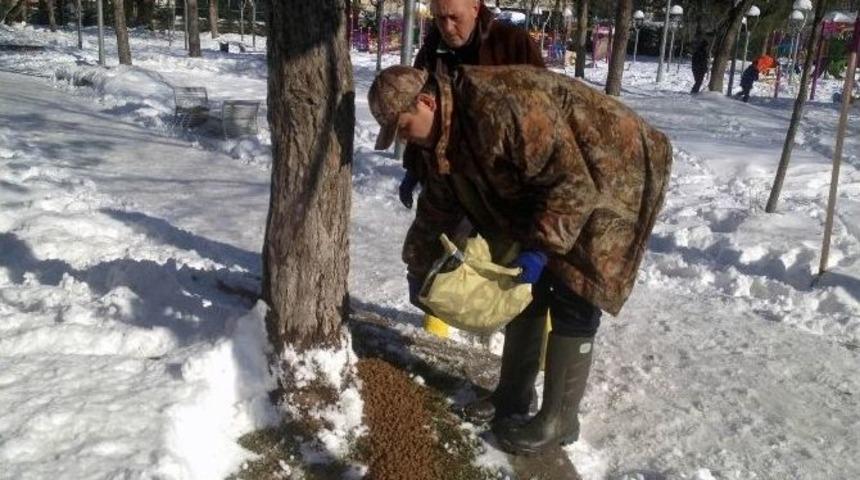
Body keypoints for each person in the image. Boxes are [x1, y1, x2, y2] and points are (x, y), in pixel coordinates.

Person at [368, 65, 672, 455]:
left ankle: (561, 418)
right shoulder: (443, 136)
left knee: (574, 287)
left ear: (426, 102)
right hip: (556, 180)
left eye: (404, 127)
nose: (404, 141)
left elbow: (573, 185)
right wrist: (419, 267)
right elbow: (439, 209)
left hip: (614, 167)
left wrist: (541, 249)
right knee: (521, 283)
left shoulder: (498, 107)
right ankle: (513, 395)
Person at [397, 0, 544, 209]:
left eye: (454, 17)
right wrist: (414, 167)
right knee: (430, 241)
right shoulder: (432, 51)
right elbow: (418, 112)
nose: (447, 27)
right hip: (449, 180)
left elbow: (544, 116)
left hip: (506, 185)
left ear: (475, 8)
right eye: (439, 18)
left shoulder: (512, 44)